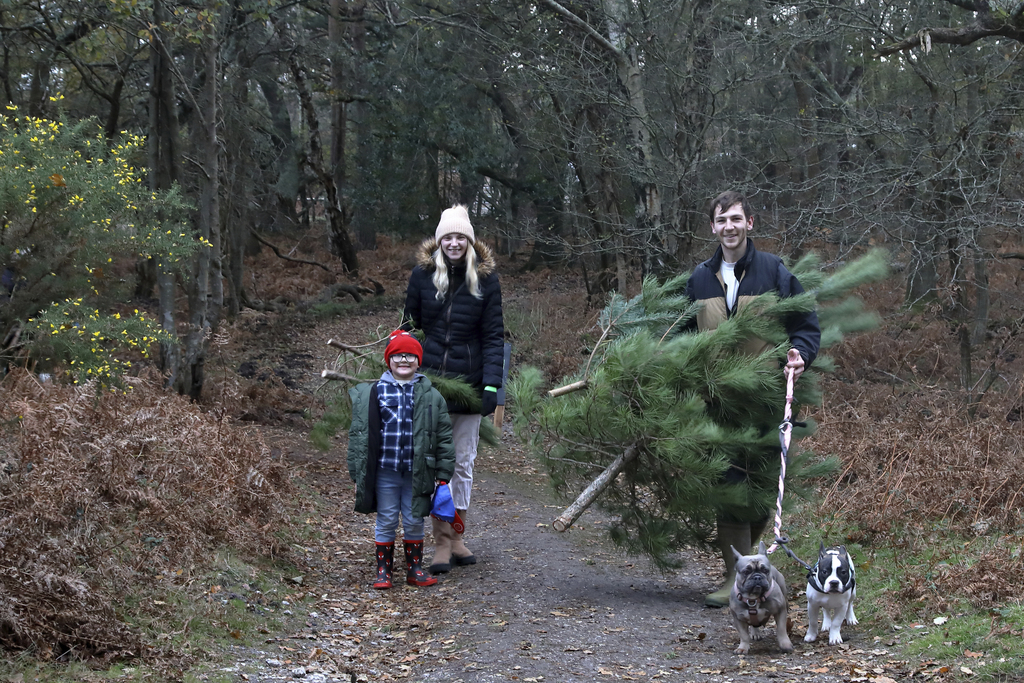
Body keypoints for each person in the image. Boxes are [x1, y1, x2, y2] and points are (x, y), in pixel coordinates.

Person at [684, 190, 821, 607]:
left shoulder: (773, 271)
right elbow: (681, 337)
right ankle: (734, 578)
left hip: (765, 397)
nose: (729, 227)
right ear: (712, 226)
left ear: (750, 223)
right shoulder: (698, 279)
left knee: (762, 484)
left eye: (736, 219)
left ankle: (748, 563)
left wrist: (800, 353)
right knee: (728, 483)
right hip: (718, 400)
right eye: (722, 220)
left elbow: (805, 322)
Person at [403, 205, 504, 574]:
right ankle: (441, 542)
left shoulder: (486, 281)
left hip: (469, 386)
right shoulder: (421, 276)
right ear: (440, 240)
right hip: (427, 387)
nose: (455, 243)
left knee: (462, 463)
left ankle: (457, 535)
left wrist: (492, 385)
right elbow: (407, 331)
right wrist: (402, 375)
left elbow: (493, 337)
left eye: (461, 237)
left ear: (470, 241)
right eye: (449, 237)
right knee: (432, 463)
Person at [346, 330, 456, 589]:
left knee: (414, 518)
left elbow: (444, 437)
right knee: (385, 518)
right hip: (385, 470)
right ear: (389, 360)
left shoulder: (431, 396)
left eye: (409, 355)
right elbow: (358, 437)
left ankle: (414, 569)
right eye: (397, 355)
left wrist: (443, 473)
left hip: (418, 472)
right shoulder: (374, 392)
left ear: (418, 361)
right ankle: (383, 571)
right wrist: (357, 474)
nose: (403, 360)